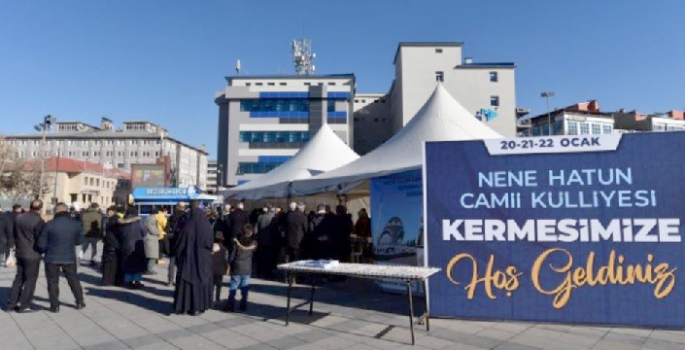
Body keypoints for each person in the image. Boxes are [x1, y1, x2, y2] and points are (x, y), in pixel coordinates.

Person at [37, 202, 86, 313]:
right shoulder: (75, 224)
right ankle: (79, 301)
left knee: (52, 282)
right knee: (73, 280)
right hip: (69, 257)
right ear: (66, 210)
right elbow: (80, 241)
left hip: (51, 257)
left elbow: (41, 244)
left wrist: (44, 250)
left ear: (56, 211)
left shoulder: (49, 224)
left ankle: (54, 305)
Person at [172, 200, 213, 315]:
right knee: (199, 283)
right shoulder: (206, 224)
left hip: (187, 259)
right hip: (202, 260)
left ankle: (184, 307)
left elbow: (179, 243)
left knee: (186, 283)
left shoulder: (187, 224)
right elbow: (209, 243)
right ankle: (198, 307)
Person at [7, 200, 45, 313]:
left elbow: (13, 233)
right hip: (33, 254)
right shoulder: (39, 221)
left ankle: (11, 304)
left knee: (19, 278)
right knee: (30, 280)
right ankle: (24, 305)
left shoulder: (19, 217)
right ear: (40, 209)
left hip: (20, 252)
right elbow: (40, 239)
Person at [225, 223, 257, 312]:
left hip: (237, 266)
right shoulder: (254, 243)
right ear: (251, 232)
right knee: (245, 287)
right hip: (247, 267)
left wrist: (230, 264)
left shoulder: (236, 242)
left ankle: (230, 305)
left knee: (233, 286)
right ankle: (243, 305)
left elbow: (232, 256)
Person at [118, 208, 147, 289]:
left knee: (127, 265)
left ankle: (128, 282)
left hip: (125, 245)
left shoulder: (122, 223)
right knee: (138, 265)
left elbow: (120, 234)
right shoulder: (139, 223)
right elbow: (144, 233)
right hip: (137, 247)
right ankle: (137, 282)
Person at [166, 202, 187, 286]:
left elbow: (167, 230)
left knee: (172, 263)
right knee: (181, 264)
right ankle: (180, 281)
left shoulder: (172, 216)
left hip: (173, 242)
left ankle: (170, 280)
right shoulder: (186, 217)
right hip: (182, 242)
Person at [101, 206, 121, 286]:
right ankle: (109, 280)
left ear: (114, 212)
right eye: (107, 212)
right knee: (111, 264)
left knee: (109, 264)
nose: (108, 213)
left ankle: (107, 280)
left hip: (111, 244)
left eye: (109, 212)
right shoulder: (112, 220)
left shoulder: (113, 220)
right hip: (112, 244)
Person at [255, 206, 276, 277]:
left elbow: (256, 228)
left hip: (261, 239)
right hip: (270, 240)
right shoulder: (273, 218)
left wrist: (257, 238)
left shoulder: (260, 217)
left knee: (260, 256)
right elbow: (275, 230)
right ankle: (268, 272)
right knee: (268, 257)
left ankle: (259, 271)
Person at [211, 232, 228, 306]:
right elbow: (225, 260)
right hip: (220, 269)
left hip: (211, 269)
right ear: (222, 239)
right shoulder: (224, 249)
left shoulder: (211, 247)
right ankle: (217, 298)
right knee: (219, 285)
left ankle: (210, 298)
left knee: (211, 285)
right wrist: (226, 269)